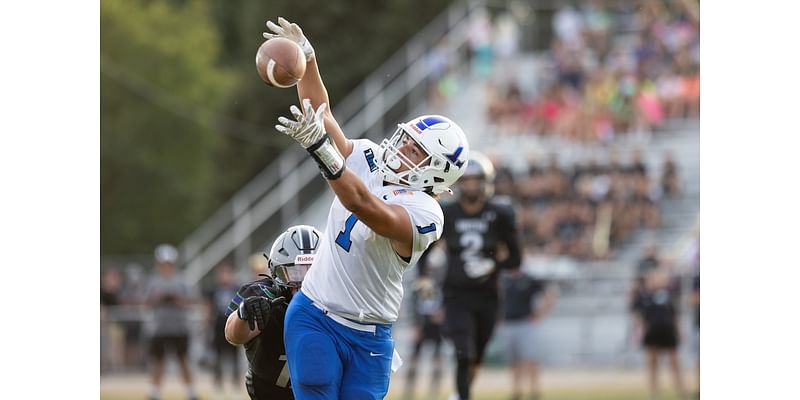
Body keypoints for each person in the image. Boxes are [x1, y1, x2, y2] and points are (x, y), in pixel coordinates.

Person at [263, 17, 471, 400]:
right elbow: (321, 115)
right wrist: (307, 60)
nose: (402, 149)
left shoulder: (427, 213)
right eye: (407, 140)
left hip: (370, 332)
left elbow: (362, 203)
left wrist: (320, 150)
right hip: (315, 314)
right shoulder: (373, 158)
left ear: (436, 172)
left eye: (415, 151)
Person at [420, 151, 522, 400]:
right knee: (463, 352)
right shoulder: (448, 213)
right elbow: (425, 247)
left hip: (488, 294)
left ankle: (459, 393)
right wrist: (423, 276)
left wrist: (492, 265)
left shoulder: (500, 214)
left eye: (477, 180)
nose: (472, 186)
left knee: (475, 356)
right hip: (456, 294)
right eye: (468, 180)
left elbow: (516, 259)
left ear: (486, 182)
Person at [224, 225, 323, 400]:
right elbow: (232, 335)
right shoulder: (260, 294)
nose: (305, 282)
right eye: (295, 272)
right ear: (276, 271)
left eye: (314, 271)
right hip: (268, 391)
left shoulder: (338, 298)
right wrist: (243, 314)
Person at [144, 244, 198, 400]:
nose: (166, 267)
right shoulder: (153, 282)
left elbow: (191, 302)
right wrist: (158, 298)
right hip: (159, 328)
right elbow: (146, 303)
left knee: (183, 360)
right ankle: (155, 392)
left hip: (179, 327)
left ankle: (190, 391)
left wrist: (177, 300)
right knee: (158, 361)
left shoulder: (182, 280)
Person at [499, 267, 557, 400]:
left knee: (530, 359)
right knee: (513, 361)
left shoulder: (528, 280)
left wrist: (539, 314)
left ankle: (535, 392)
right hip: (508, 324)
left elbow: (549, 294)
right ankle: (516, 392)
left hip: (525, 324)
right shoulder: (504, 280)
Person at [632, 268, 688, 400]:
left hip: (668, 332)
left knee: (674, 362)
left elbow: (675, 315)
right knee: (652, 363)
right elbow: (637, 314)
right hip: (652, 332)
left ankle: (681, 390)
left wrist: (679, 331)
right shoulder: (643, 296)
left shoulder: (668, 295)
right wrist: (639, 330)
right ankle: (654, 392)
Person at [402, 268, 445, 400]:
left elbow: (445, 303)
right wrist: (415, 324)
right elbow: (412, 305)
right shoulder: (418, 286)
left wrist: (442, 315)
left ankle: (434, 392)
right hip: (422, 324)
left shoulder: (440, 284)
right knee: (414, 358)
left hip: (436, 326)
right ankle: (409, 392)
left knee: (437, 359)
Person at [204, 263, 242, 400]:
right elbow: (208, 307)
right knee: (217, 360)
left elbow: (240, 306)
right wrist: (206, 323)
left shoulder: (237, 289)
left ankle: (236, 389)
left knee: (234, 360)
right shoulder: (213, 290)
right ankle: (218, 389)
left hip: (233, 326)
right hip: (218, 327)